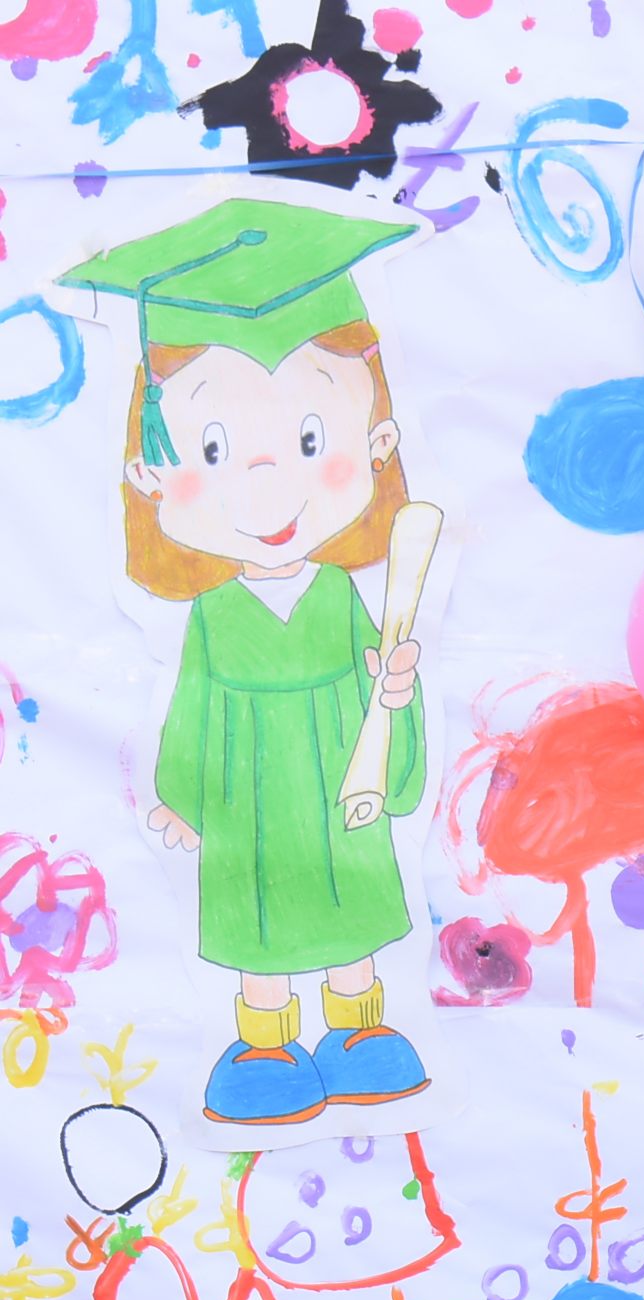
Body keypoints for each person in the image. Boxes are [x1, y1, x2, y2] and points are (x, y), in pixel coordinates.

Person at [64, 198, 433, 1127]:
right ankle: (265, 1046)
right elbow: (191, 711)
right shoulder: (214, 618)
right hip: (248, 801)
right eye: (216, 449)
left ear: (377, 441)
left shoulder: (351, 598)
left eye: (314, 441)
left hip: (338, 780)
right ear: (151, 479)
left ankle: (356, 1035)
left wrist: (395, 704)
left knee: (348, 903)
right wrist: (182, 797)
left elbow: (384, 683)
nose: (268, 488)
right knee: (257, 920)